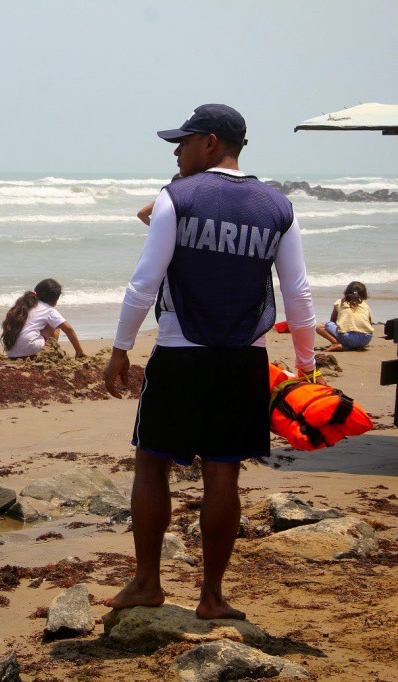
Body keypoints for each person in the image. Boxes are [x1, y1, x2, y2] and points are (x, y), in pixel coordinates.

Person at [103, 104, 318, 620]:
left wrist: (120, 347)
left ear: (211, 143)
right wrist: (306, 364)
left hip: (179, 356)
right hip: (244, 359)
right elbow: (298, 292)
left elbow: (145, 280)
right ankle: (212, 596)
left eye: (184, 142)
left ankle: (149, 583)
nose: (176, 152)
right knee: (224, 475)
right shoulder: (277, 206)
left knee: (152, 463)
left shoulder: (177, 197)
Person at [1, 278, 86, 359]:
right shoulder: (48, 309)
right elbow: (69, 329)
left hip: (11, 352)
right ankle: (50, 351)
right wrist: (79, 351)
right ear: (55, 300)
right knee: (55, 324)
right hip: (30, 349)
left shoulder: (24, 305)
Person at [316, 281, 373, 351]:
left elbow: (333, 321)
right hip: (366, 339)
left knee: (322, 326)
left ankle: (336, 343)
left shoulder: (339, 302)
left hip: (347, 338)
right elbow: (370, 323)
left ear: (346, 292)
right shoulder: (365, 305)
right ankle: (352, 346)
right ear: (364, 295)